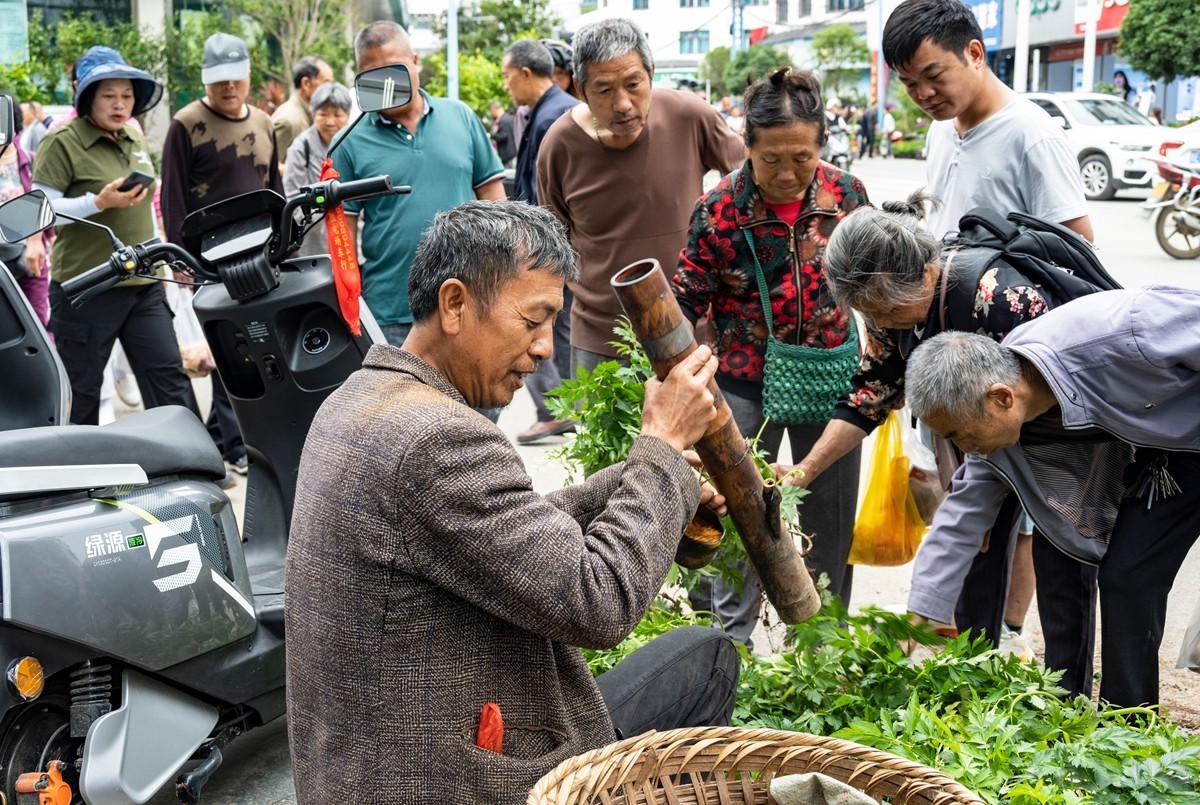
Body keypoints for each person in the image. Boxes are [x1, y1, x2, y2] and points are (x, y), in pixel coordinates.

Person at [286, 200, 740, 804]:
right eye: (533, 320)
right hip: (443, 783)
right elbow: (599, 602)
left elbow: (508, 528)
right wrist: (660, 446)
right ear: (455, 305)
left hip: (356, 769)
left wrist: (641, 477)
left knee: (696, 655)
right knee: (707, 660)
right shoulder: (437, 439)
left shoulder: (358, 398)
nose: (546, 348)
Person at [785, 192, 1101, 698]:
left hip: (1062, 439)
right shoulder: (893, 313)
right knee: (974, 556)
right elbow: (871, 393)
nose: (881, 321)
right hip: (985, 442)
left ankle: (1074, 708)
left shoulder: (999, 299)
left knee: (1063, 567)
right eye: (869, 312)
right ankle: (980, 693)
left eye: (886, 308)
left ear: (926, 274)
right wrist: (804, 470)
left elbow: (1071, 382)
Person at [904, 285, 1200, 708]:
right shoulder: (1001, 425)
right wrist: (922, 613)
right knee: (1126, 576)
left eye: (957, 433)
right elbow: (962, 515)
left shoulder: (1124, 334)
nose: (962, 447)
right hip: (1177, 457)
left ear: (1000, 399)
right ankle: (1127, 724)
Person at [672, 68, 869, 644]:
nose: (787, 174)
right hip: (740, 384)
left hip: (831, 380)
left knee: (828, 527)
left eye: (802, 159)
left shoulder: (848, 196)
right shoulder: (718, 211)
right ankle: (729, 648)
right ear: (747, 147)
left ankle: (824, 649)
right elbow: (685, 300)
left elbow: (875, 282)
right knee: (742, 518)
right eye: (771, 160)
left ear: (821, 147)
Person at [537, 17, 744, 376]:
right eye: (603, 90)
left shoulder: (689, 115)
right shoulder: (559, 145)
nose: (623, 104)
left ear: (651, 72)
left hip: (690, 327)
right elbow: (551, 244)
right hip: (600, 338)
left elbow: (754, 179)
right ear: (581, 90)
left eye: (634, 84)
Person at [30, 47, 198, 426]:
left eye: (127, 95)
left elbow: (148, 207)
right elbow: (42, 208)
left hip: (143, 284)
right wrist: (97, 202)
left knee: (169, 380)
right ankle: (77, 479)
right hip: (87, 288)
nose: (120, 104)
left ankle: (189, 466)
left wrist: (169, 262)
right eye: (109, 95)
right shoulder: (61, 141)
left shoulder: (134, 138)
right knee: (82, 392)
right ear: (87, 97)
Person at [332, 21, 505, 348]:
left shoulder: (461, 116)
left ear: (414, 61)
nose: (386, 83)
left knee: (477, 400)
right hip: (392, 312)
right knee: (400, 401)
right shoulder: (348, 142)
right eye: (374, 74)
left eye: (395, 69)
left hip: (470, 299)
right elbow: (342, 237)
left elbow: (495, 202)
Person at [161, 32, 282, 476]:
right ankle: (235, 446)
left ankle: (233, 439)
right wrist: (180, 260)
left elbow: (275, 190)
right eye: (218, 80)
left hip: (260, 255)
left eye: (235, 78)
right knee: (226, 349)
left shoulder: (266, 123)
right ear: (205, 81)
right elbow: (172, 197)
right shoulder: (184, 123)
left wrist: (281, 246)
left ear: (248, 76)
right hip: (207, 259)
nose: (228, 88)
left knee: (255, 343)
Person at [502, 37, 581, 444]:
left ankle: (557, 409)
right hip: (552, 245)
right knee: (557, 328)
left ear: (526, 73)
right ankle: (561, 408)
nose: (506, 86)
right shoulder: (549, 110)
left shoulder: (555, 115)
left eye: (507, 76)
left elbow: (551, 194)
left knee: (538, 326)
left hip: (551, 247)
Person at [282, 82, 353, 256]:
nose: (330, 122)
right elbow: (293, 198)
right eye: (323, 114)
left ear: (348, 115)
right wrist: (330, 222)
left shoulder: (354, 143)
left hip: (353, 240)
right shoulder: (300, 148)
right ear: (313, 114)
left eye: (338, 115)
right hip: (314, 246)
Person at [1, 94, 49, 328]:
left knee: (36, 323)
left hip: (29, 257)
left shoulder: (30, 160)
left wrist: (36, 241)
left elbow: (44, 202)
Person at [271, 56, 334, 168]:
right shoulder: (289, 121)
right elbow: (272, 169)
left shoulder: (309, 114)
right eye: (326, 83)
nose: (331, 89)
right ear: (306, 84)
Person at [488, 100, 516, 166]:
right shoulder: (506, 118)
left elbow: (504, 135)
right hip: (509, 153)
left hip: (507, 154)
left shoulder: (504, 120)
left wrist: (491, 136)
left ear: (494, 109)